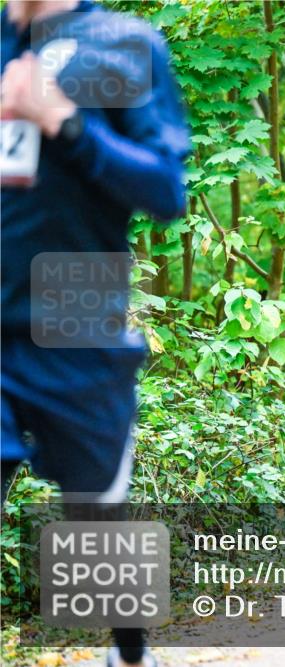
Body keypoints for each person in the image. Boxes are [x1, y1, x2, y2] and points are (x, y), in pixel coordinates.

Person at [1, 1, 190, 665]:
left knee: (95, 519)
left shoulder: (122, 45)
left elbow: (167, 190)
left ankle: (131, 650)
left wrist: (66, 123)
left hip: (73, 319)